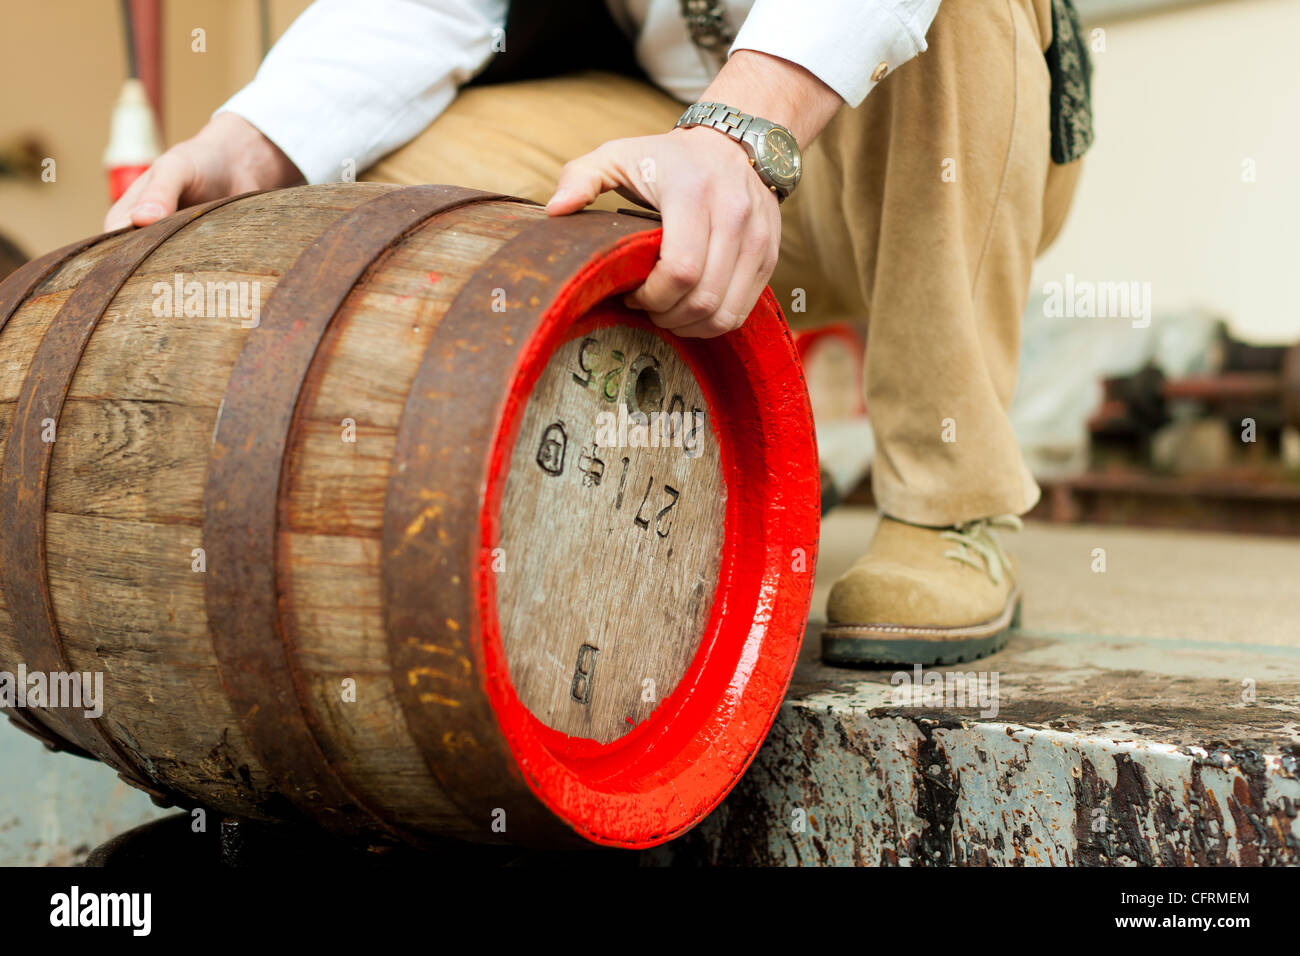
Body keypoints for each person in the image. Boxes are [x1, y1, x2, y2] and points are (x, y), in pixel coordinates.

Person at [105, 0, 1092, 667]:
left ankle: (951, 506)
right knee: (405, 167)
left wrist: (739, 130)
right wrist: (258, 141)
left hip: (903, 121)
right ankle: (625, 490)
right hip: (676, 133)